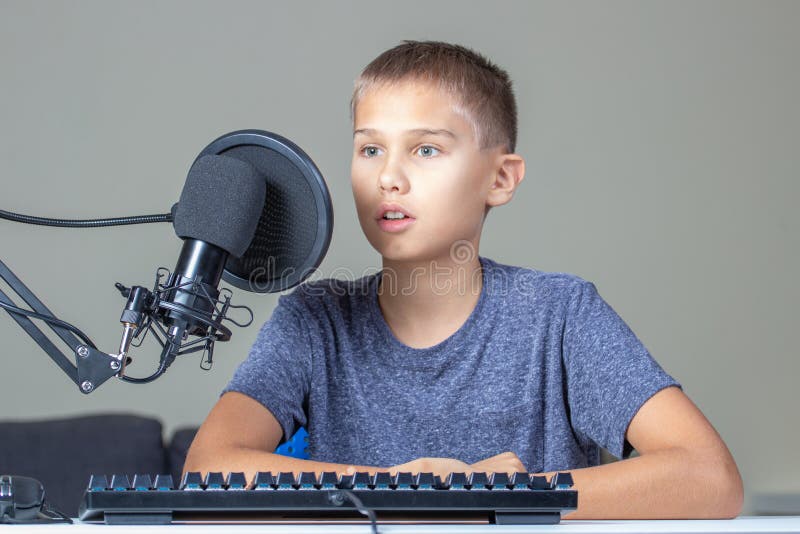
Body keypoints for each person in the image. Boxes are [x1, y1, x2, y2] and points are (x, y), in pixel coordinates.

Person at [184, 40, 743, 519]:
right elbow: (207, 468)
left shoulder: (559, 315)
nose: (389, 177)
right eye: (370, 148)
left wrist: (503, 497)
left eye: (426, 149)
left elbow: (709, 476)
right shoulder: (315, 319)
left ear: (500, 178)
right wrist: (407, 493)